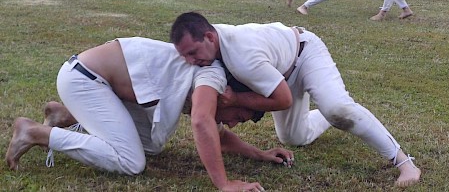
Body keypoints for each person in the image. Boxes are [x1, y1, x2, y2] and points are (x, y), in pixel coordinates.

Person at [170, 12, 422, 188]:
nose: (191, 61)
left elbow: (283, 100)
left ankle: (405, 163)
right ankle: (326, 112)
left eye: (193, 53)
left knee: (338, 108)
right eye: (185, 56)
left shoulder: (241, 56)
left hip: (305, 53)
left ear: (210, 37)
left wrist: (236, 98)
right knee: (294, 138)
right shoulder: (210, 43)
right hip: (279, 73)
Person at [5, 37, 293, 192]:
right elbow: (203, 124)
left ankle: (66, 115)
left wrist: (260, 154)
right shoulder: (213, 78)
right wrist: (224, 184)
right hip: (85, 79)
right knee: (131, 161)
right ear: (231, 95)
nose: (231, 123)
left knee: (148, 144)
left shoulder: (211, 83)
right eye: (238, 117)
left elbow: (218, 135)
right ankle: (36, 132)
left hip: (93, 81)